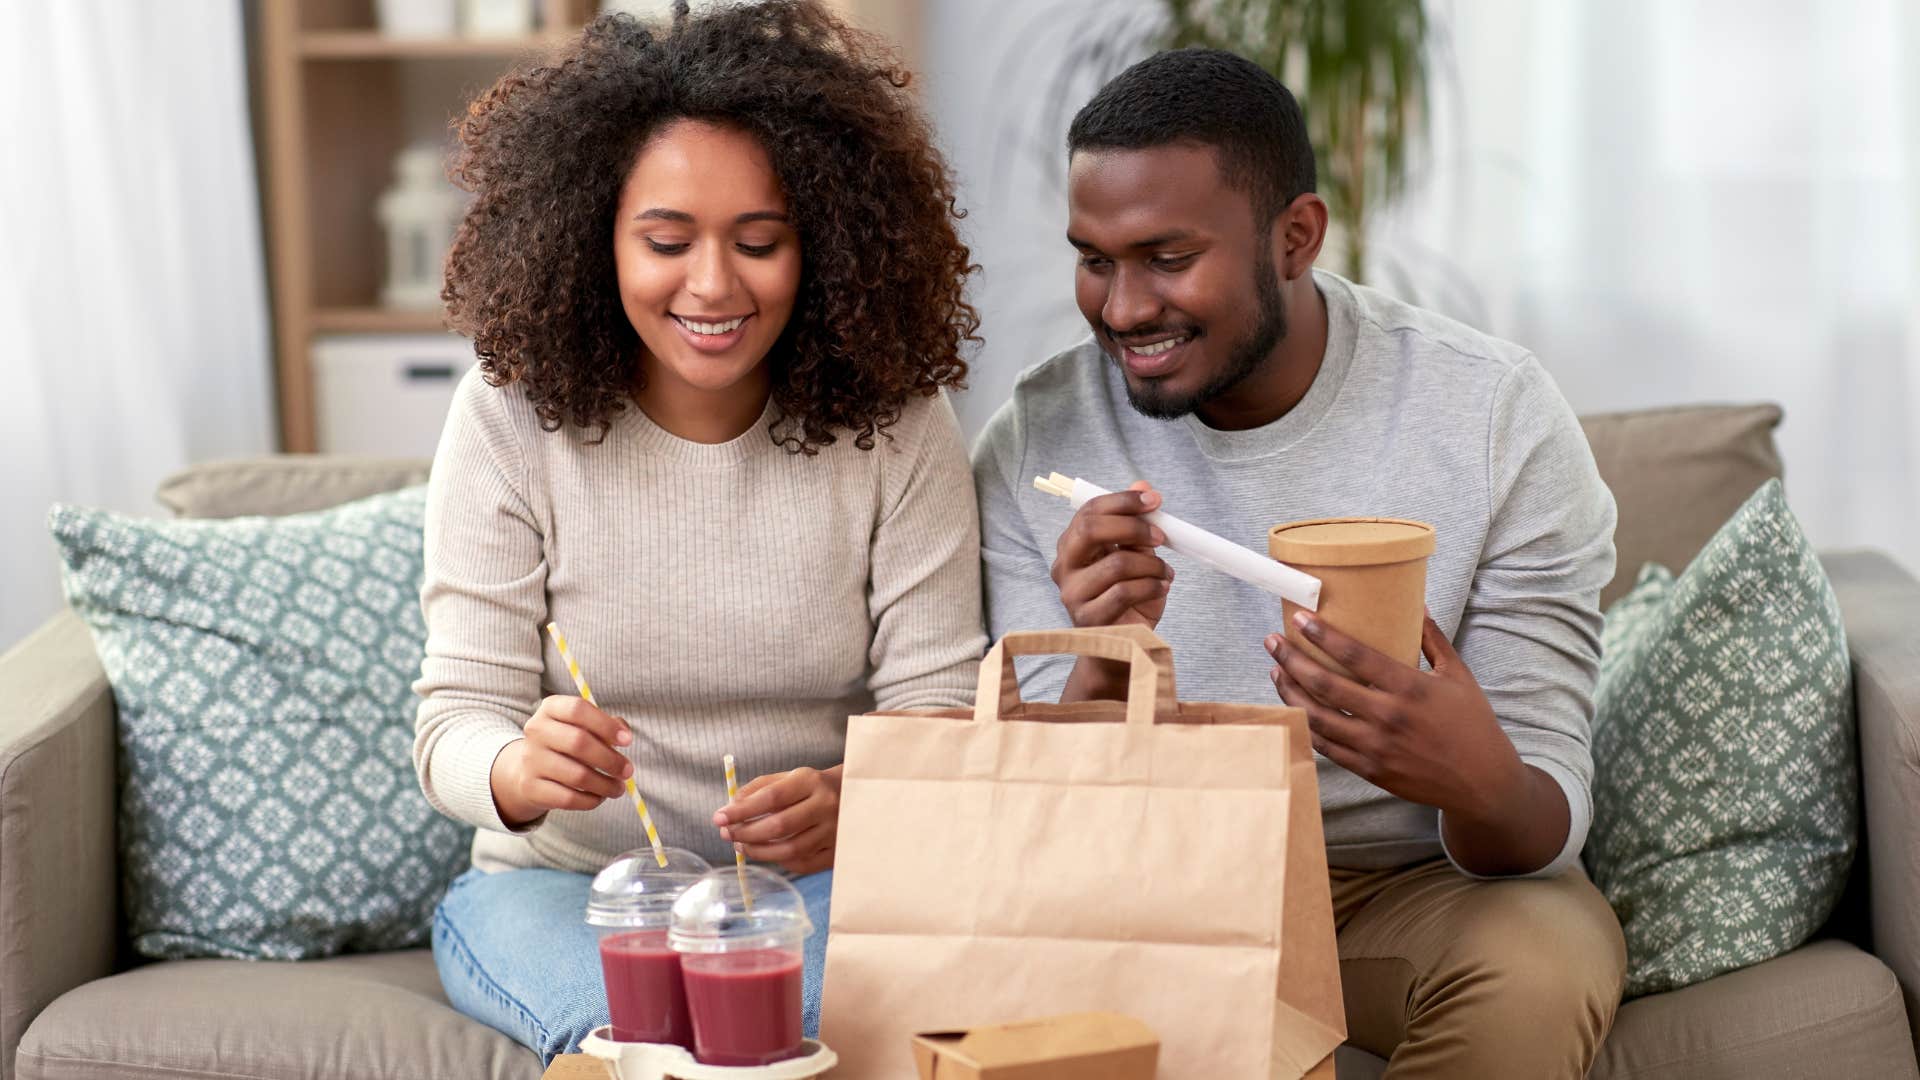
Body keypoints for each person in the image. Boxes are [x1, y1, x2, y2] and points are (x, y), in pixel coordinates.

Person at [973, 48, 1626, 1077]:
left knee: (1540, 963)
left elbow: (1541, 817)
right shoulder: (1037, 442)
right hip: (1157, 890)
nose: (1125, 307)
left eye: (1168, 257)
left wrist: (1474, 776)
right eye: (1095, 259)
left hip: (1410, 887)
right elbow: (1043, 826)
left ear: (1296, 236)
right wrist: (1100, 659)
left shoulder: (1494, 416)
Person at [413, 1, 985, 1062]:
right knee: (654, 1032)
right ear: (593, 237)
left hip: (815, 890)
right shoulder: (507, 418)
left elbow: (941, 713)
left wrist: (855, 802)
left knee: (793, 1018)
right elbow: (455, 722)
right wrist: (517, 772)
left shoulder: (898, 426)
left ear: (828, 245)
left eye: (759, 242)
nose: (714, 285)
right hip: (569, 893)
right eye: (667, 241)